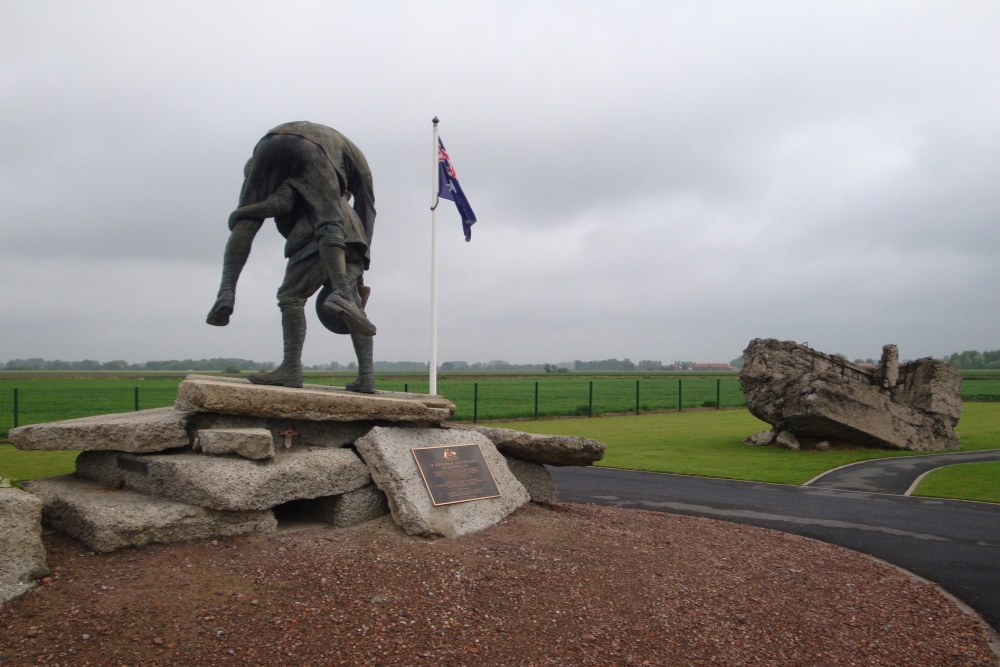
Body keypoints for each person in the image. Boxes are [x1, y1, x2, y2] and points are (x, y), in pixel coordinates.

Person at [206, 122, 377, 392]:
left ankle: (290, 366)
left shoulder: (292, 179)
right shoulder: (342, 183)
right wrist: (364, 257)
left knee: (291, 297)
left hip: (313, 239)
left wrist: (243, 212)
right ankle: (366, 376)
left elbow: (281, 203)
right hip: (355, 239)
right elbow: (367, 208)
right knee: (354, 305)